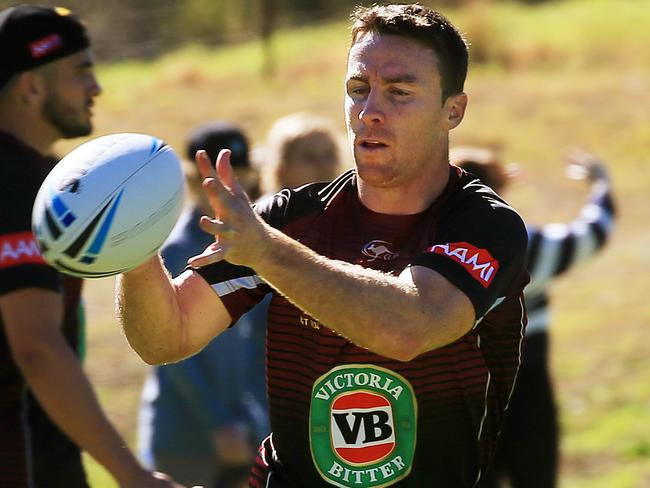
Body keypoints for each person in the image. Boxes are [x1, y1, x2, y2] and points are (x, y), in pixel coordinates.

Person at [116, 4, 530, 487]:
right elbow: (166, 337)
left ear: (452, 111)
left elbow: (411, 327)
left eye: (399, 92)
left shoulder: (485, 225)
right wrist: (133, 246)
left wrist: (268, 253)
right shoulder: (292, 218)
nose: (370, 110)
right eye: (358, 90)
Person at [0, 5, 179, 488]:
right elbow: (36, 346)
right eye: (82, 72)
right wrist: (131, 474)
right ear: (32, 86)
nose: (96, 88)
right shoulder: (19, 186)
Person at [450, 146, 616, 488]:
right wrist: (601, 185)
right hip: (526, 384)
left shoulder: (438, 245)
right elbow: (592, 235)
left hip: (459, 391)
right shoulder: (522, 243)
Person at [137, 121, 268, 488]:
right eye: (213, 181)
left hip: (250, 431)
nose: (228, 191)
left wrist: (254, 420)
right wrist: (218, 423)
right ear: (192, 181)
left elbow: (260, 340)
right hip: (186, 439)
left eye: (237, 177)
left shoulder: (260, 245)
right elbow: (171, 353)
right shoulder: (175, 250)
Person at [257, 111, 345, 196]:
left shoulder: (346, 204)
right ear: (282, 170)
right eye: (310, 157)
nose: (323, 165)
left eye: (329, 155)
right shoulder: (270, 209)